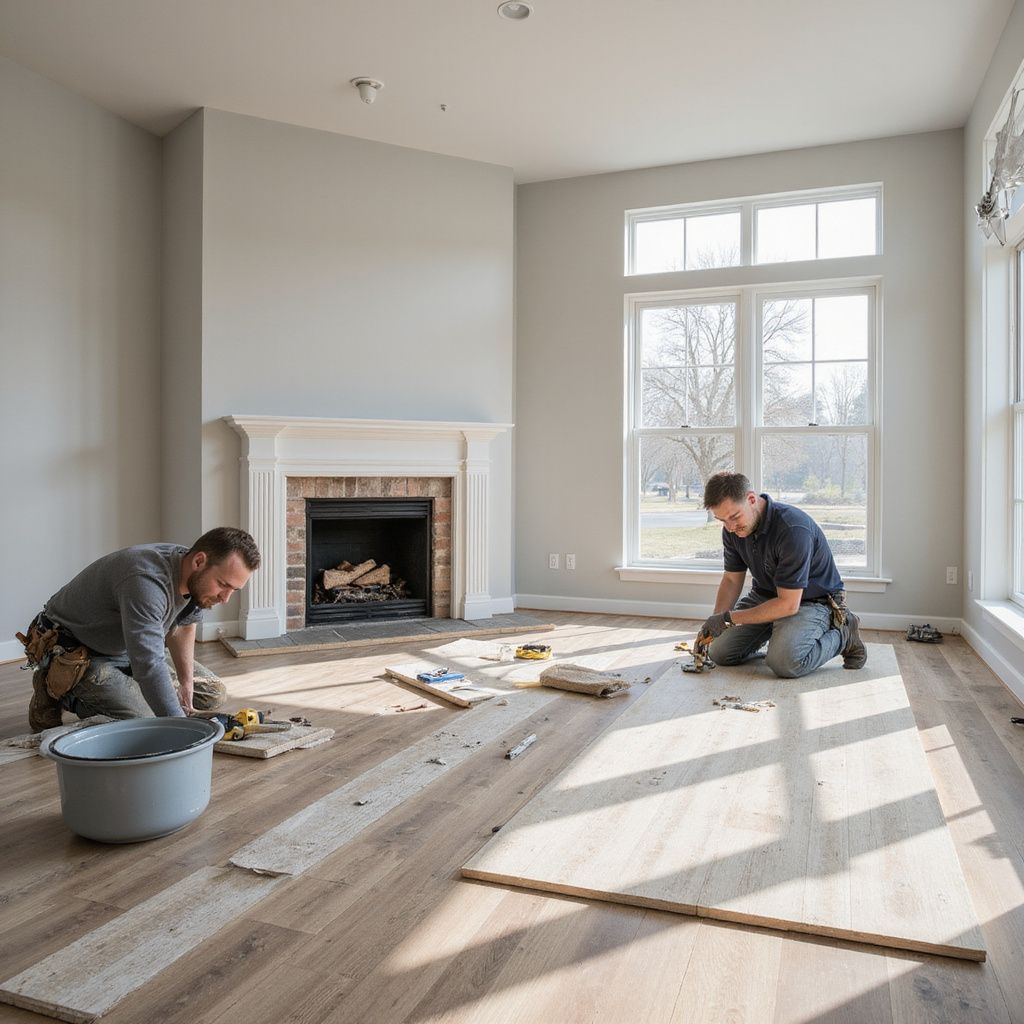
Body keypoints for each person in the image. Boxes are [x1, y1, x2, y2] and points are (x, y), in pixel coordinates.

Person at [22, 528, 261, 731]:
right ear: (199, 561)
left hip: (126, 645)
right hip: (75, 650)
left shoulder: (194, 574)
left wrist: (186, 685)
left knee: (212, 693)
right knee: (147, 719)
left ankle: (123, 691)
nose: (226, 598)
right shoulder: (145, 580)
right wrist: (180, 727)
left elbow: (186, 624)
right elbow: (148, 664)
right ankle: (51, 686)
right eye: (222, 585)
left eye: (234, 590)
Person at [696, 472, 865, 678]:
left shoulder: (793, 529)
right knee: (718, 652)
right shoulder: (733, 530)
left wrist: (728, 619)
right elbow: (732, 579)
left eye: (734, 517)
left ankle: (844, 634)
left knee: (786, 664)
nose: (730, 527)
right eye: (722, 520)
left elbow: (788, 605)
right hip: (767, 596)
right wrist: (716, 622)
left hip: (811, 601)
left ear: (751, 499)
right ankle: (781, 636)